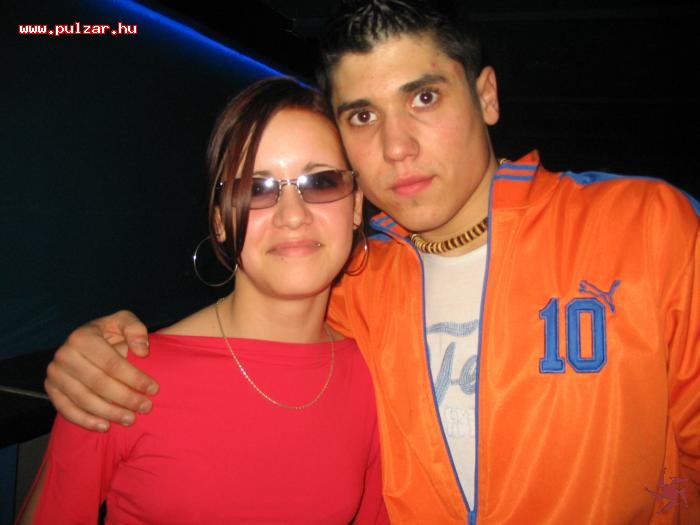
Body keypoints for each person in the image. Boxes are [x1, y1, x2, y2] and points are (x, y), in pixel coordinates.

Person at [42, 0, 700, 523]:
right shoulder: (352, 283)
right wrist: (95, 348)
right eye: (362, 115)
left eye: (424, 98)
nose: (396, 146)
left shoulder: (645, 226)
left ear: (487, 96)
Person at [18, 77, 389, 524]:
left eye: (321, 181)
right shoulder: (118, 378)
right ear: (219, 221)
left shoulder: (371, 378)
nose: (293, 215)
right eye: (256, 188)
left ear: (355, 206)